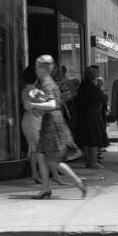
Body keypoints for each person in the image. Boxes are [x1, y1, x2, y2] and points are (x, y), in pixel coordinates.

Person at [32, 55, 86, 199]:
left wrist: (34, 105)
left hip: (52, 123)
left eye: (37, 66)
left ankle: (78, 182)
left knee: (51, 160)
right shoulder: (45, 83)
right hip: (50, 121)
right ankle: (45, 188)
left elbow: (52, 104)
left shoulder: (47, 83)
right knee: (40, 155)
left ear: (43, 68)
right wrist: (37, 106)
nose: (35, 69)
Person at [20, 65, 61, 185]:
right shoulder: (36, 92)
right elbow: (43, 109)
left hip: (27, 121)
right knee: (44, 150)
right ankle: (55, 175)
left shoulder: (24, 90)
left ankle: (35, 174)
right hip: (36, 121)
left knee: (33, 149)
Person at [73, 65, 108, 169]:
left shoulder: (82, 86)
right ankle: (93, 162)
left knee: (86, 139)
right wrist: (101, 88)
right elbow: (104, 99)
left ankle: (88, 161)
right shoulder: (93, 87)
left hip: (82, 114)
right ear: (93, 76)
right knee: (93, 139)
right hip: (93, 114)